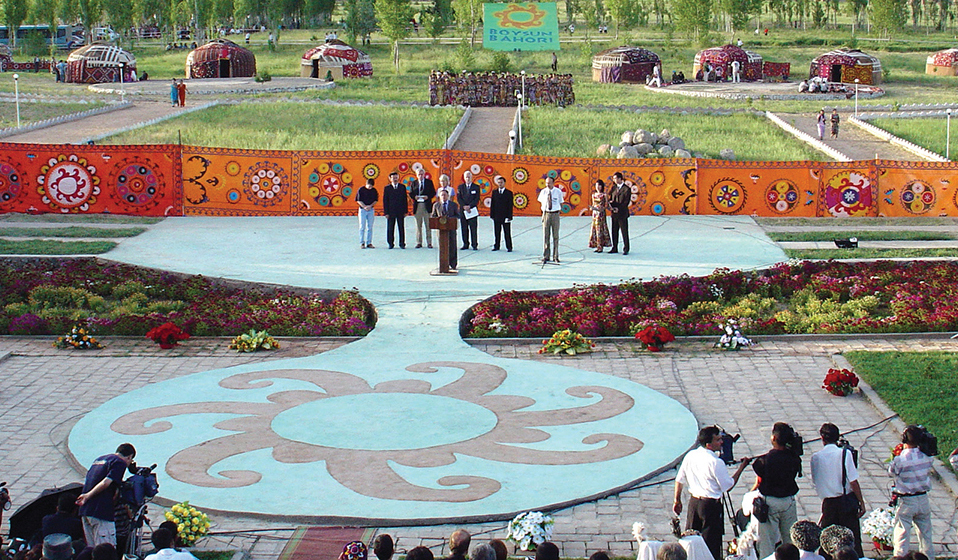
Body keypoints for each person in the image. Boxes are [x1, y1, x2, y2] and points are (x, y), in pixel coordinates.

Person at [673, 426, 752, 560]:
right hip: (710, 506)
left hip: (694, 503)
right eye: (718, 440)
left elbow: (679, 479)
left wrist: (677, 500)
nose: (721, 442)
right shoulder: (716, 462)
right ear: (709, 444)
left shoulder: (691, 455)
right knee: (711, 544)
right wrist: (741, 468)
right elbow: (727, 486)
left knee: (690, 542)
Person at [810, 423, 866, 557]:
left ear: (822, 438)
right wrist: (861, 501)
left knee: (827, 541)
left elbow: (815, 479)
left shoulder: (816, 457)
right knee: (852, 540)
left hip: (828, 503)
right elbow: (853, 481)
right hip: (845, 502)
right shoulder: (845, 454)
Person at [751, 423, 803, 559]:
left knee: (766, 542)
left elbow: (758, 472)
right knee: (790, 539)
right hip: (788, 502)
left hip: (769, 503)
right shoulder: (793, 458)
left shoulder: (764, 460)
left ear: (774, 438)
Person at [77, 443, 136, 547]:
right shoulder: (119, 463)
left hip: (85, 511)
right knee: (106, 550)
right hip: (100, 512)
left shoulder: (99, 460)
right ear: (129, 457)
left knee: (93, 550)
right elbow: (106, 483)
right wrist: (88, 496)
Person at [888, 425, 934, 558]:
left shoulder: (900, 459)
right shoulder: (927, 457)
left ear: (904, 439)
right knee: (926, 534)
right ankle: (928, 557)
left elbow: (891, 472)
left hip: (906, 500)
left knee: (902, 534)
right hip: (923, 498)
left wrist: (896, 455)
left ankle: (900, 558)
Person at [432, 182, 459, 271]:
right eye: (442, 195)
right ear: (439, 196)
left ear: (448, 196)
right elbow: (433, 216)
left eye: (445, 195)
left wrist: (450, 219)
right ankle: (443, 264)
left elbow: (458, 215)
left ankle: (453, 264)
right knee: (442, 246)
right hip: (441, 230)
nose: (443, 196)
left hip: (451, 228)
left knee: (452, 245)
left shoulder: (453, 205)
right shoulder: (436, 205)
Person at [538, 175, 563, 264]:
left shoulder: (558, 192)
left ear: (553, 183)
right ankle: (546, 256)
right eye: (546, 183)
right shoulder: (543, 192)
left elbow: (560, 202)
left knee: (555, 236)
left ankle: (555, 256)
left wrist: (557, 211)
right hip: (546, 214)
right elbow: (541, 202)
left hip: (555, 214)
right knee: (546, 235)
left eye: (549, 183)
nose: (548, 185)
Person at [409, 168, 435, 249]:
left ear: (424, 174)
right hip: (418, 206)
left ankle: (429, 242)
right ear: (416, 175)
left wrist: (427, 196)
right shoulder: (414, 183)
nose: (420, 176)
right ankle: (419, 242)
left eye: (422, 174)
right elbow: (411, 193)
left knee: (428, 225)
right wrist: (415, 197)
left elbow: (433, 192)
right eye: (419, 174)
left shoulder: (429, 182)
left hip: (426, 205)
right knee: (418, 225)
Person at [382, 171, 408, 249]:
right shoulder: (387, 188)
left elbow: (405, 199)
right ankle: (390, 243)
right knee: (390, 228)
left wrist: (405, 211)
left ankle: (402, 243)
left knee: (401, 228)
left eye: (396, 177)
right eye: (393, 178)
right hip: (391, 211)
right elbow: (385, 201)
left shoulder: (402, 187)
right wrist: (386, 212)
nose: (395, 179)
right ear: (390, 179)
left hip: (400, 211)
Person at [457, 171, 480, 251]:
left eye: (469, 177)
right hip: (463, 211)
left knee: (473, 228)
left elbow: (477, 198)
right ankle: (465, 244)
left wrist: (470, 206)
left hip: (472, 210)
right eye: (466, 177)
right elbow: (459, 198)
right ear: (464, 178)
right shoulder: (460, 187)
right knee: (464, 228)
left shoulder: (476, 187)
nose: (468, 178)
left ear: (471, 177)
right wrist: (464, 206)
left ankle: (474, 244)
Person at [608, 172, 631, 255]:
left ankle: (626, 248)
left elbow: (626, 202)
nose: (614, 180)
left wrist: (619, 208)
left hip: (622, 213)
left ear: (620, 178)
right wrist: (610, 204)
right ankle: (614, 247)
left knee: (624, 231)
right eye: (614, 178)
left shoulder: (626, 189)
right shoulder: (613, 188)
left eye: (616, 178)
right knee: (614, 231)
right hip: (614, 213)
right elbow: (610, 198)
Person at [489, 175, 513, 252]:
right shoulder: (495, 192)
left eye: (501, 182)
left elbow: (510, 206)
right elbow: (492, 204)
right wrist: (492, 215)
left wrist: (509, 217)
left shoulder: (509, 193)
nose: (500, 184)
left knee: (507, 232)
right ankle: (497, 246)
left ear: (504, 183)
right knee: (497, 232)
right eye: (499, 182)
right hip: (496, 216)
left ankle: (509, 247)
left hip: (505, 216)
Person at [588, 180, 612, 253]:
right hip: (595, 213)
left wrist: (601, 208)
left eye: (599, 185)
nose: (598, 187)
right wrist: (592, 208)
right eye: (596, 185)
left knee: (600, 229)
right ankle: (596, 245)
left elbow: (606, 205)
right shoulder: (594, 195)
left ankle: (600, 246)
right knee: (595, 229)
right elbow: (593, 203)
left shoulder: (604, 195)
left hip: (601, 213)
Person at [357, 178, 378, 249]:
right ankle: (362, 242)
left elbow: (375, 200)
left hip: (371, 210)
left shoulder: (374, 191)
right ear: (366, 184)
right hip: (362, 210)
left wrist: (370, 206)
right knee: (362, 226)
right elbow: (358, 200)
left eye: (371, 186)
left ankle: (369, 242)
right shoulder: (361, 190)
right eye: (369, 186)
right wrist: (364, 206)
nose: (370, 187)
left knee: (370, 227)